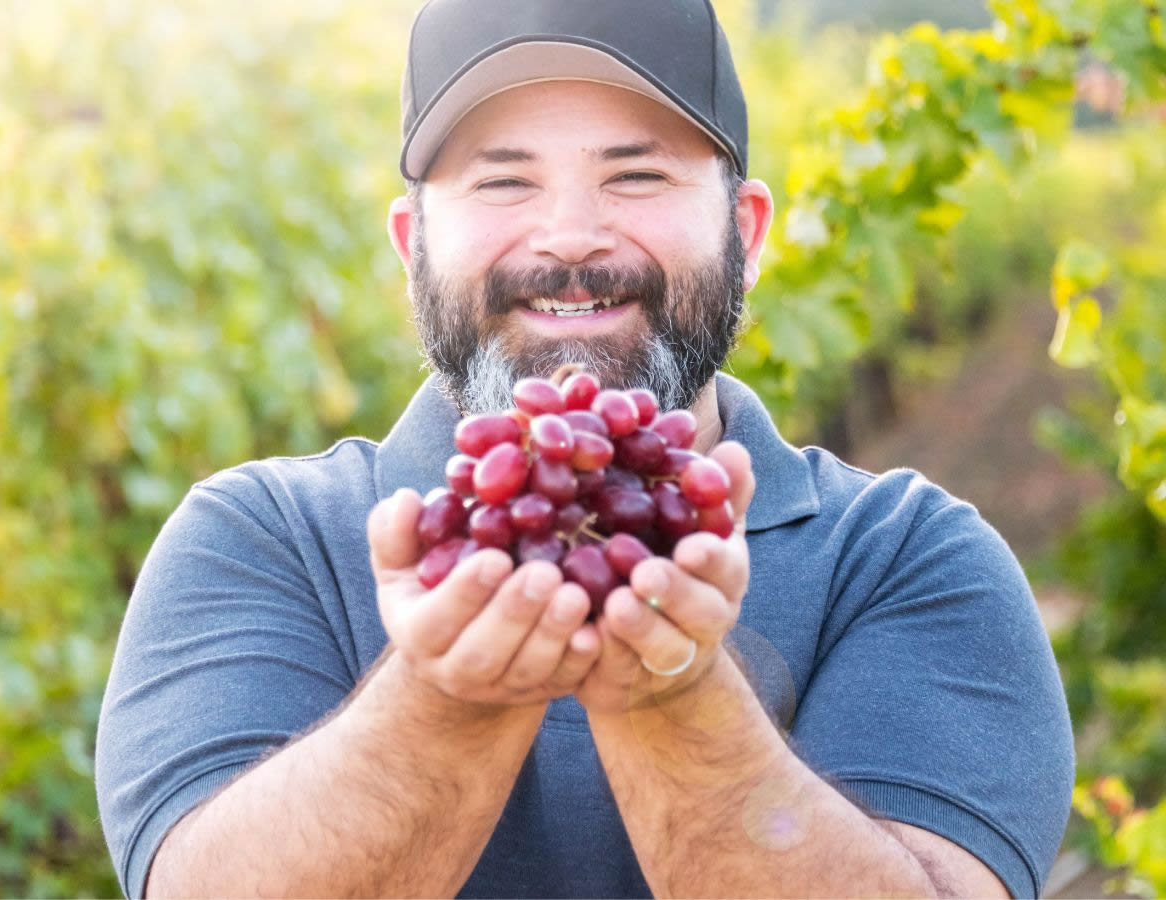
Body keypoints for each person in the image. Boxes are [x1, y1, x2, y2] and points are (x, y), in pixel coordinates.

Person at [94, 1, 1074, 897]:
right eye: (505, 180)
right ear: (412, 245)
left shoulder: (909, 558)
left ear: (747, 231)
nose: (569, 236)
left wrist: (674, 699)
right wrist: (449, 700)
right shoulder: (259, 542)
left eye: (635, 175)